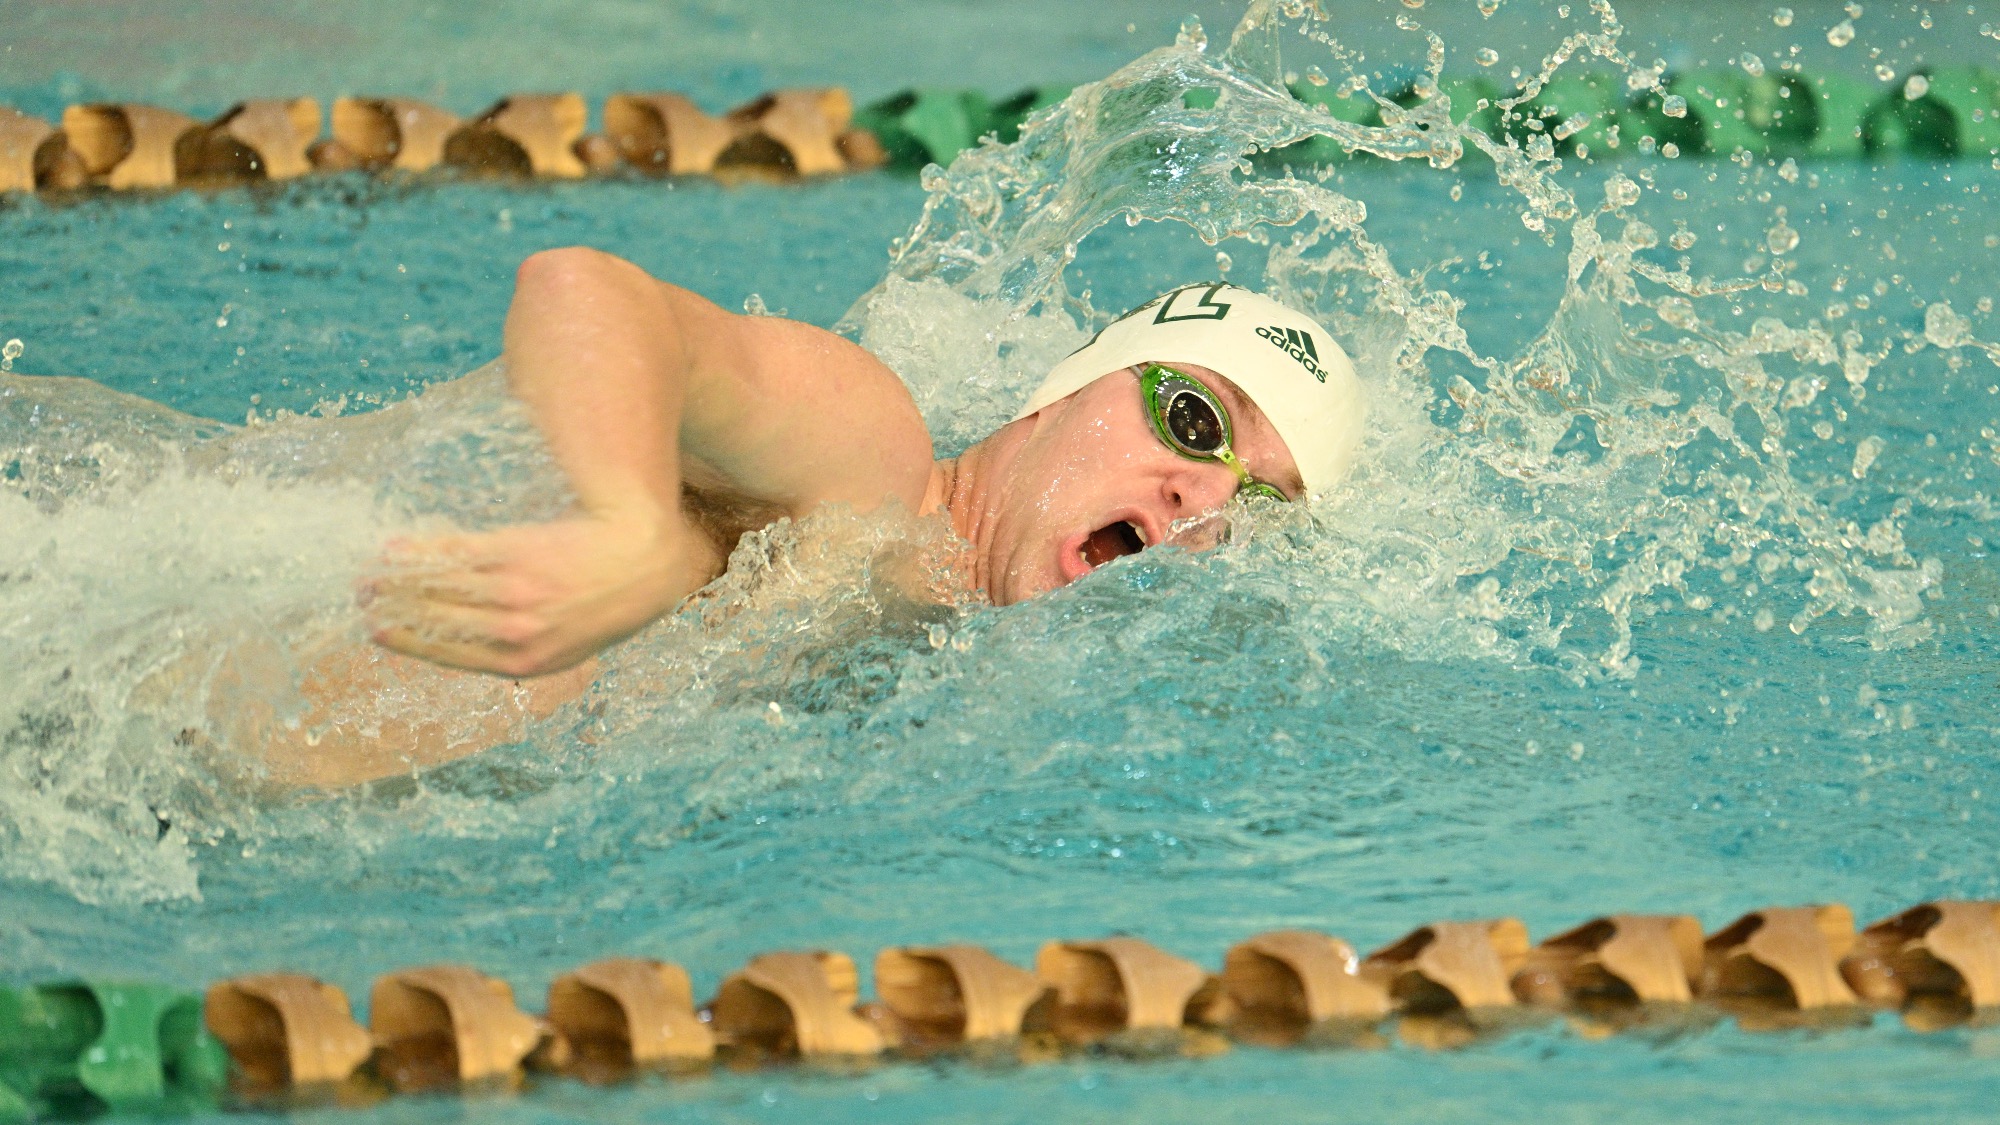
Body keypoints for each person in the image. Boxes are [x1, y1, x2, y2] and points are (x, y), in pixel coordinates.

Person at [233, 247, 1365, 787]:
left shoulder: (933, 659)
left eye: (1258, 504)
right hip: (146, 674)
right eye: (1191, 418)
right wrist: (628, 529)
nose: (1202, 494)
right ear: (1060, 394)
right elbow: (586, 290)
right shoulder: (867, 457)